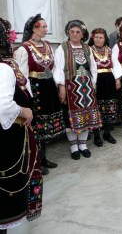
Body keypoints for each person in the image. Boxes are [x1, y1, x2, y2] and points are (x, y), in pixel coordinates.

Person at [0, 17, 42, 233]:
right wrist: (22, 110)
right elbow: (3, 106)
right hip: (7, 134)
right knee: (7, 187)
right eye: (8, 36)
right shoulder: (3, 68)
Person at [15, 14, 65, 175]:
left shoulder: (48, 45)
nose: (46, 29)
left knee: (45, 125)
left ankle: (43, 157)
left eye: (46, 26)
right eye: (43, 26)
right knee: (36, 125)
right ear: (34, 29)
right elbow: (22, 75)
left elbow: (55, 67)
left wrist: (59, 86)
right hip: (35, 89)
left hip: (49, 87)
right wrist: (27, 96)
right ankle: (35, 160)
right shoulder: (24, 48)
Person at [54, 20, 101, 160]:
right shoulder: (62, 48)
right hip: (71, 87)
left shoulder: (87, 48)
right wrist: (61, 86)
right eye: (72, 31)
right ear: (68, 33)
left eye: (78, 32)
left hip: (87, 86)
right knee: (71, 117)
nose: (74, 34)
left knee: (86, 115)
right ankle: (73, 146)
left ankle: (83, 144)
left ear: (82, 34)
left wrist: (94, 84)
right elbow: (58, 68)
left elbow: (93, 67)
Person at [88, 28, 122, 145]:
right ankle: (97, 135)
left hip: (109, 80)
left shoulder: (109, 50)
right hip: (96, 81)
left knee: (109, 106)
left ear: (105, 39)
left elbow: (116, 65)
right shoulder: (89, 50)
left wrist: (117, 79)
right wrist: (93, 83)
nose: (98, 39)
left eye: (101, 37)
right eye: (96, 37)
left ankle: (107, 133)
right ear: (93, 38)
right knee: (97, 107)